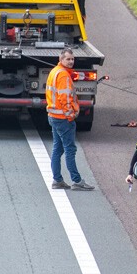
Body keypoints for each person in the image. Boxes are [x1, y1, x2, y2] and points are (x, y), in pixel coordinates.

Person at [45, 52, 92, 191]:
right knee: (69, 149)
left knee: (58, 149)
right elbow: (64, 98)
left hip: (54, 116)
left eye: (72, 59)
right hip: (63, 118)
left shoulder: (55, 71)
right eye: (68, 59)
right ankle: (76, 181)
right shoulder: (63, 75)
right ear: (61, 59)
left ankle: (57, 180)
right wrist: (70, 115)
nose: (71, 61)